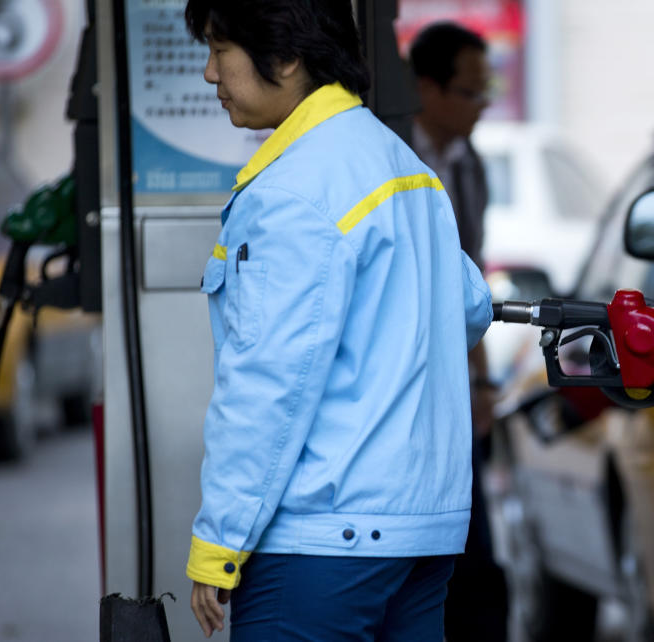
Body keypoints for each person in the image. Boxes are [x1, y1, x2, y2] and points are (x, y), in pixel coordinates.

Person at [182, 2, 494, 640]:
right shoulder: (408, 169)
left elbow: (268, 386)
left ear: (289, 57)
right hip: (420, 539)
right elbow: (468, 309)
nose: (211, 73)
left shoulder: (291, 192)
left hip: (323, 543)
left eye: (221, 49)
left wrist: (220, 543)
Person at [410, 22, 509, 642]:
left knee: (474, 558)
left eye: (484, 92)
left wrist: (480, 386)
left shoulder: (468, 166)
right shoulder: (388, 153)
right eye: (469, 93)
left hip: (452, 389)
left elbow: (469, 285)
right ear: (425, 88)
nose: (481, 107)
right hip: (402, 389)